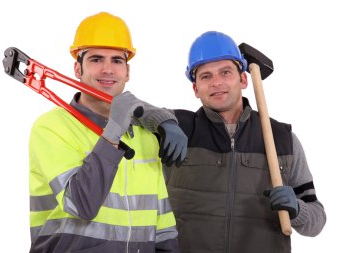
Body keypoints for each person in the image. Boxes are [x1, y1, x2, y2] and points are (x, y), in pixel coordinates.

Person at [140, 31, 326, 253]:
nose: (216, 82)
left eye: (225, 72)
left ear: (244, 79)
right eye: (206, 76)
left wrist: (297, 209)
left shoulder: (282, 140)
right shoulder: (177, 127)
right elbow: (123, 107)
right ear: (195, 88)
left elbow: (317, 221)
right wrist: (163, 121)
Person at [28, 12, 184, 253]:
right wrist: (113, 132)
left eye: (117, 61)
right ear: (77, 68)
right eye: (96, 59)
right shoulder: (51, 127)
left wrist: (164, 119)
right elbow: (80, 205)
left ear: (127, 72)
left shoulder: (145, 137)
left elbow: (162, 224)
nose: (107, 69)